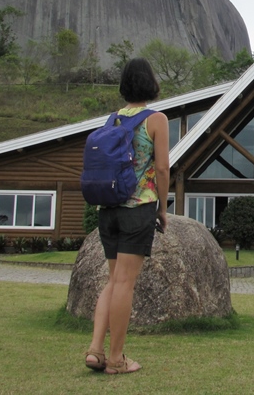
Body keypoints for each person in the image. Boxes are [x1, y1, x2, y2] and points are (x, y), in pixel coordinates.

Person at [84, 58, 169, 374]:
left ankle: (95, 349)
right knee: (124, 284)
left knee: (113, 280)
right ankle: (117, 359)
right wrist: (161, 208)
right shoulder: (156, 119)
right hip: (138, 208)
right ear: (151, 84)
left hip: (108, 210)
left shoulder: (112, 121)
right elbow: (161, 168)